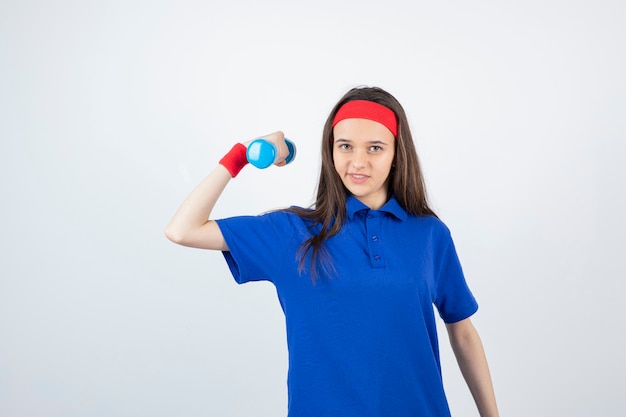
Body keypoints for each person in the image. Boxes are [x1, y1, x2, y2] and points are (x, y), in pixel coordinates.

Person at [165, 86, 499, 417]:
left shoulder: (429, 234)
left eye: (375, 148)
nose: (358, 162)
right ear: (331, 150)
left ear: (397, 153)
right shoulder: (291, 233)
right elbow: (182, 230)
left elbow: (463, 332)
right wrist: (240, 155)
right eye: (346, 146)